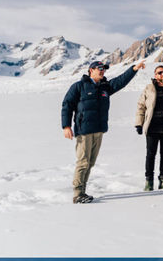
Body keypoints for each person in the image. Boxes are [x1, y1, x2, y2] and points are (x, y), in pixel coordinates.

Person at [61, 59, 145, 203]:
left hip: (98, 130)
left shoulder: (105, 87)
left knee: (91, 162)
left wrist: (134, 69)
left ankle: (83, 191)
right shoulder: (79, 86)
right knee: (83, 162)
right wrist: (66, 126)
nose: (102, 71)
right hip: (84, 130)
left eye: (104, 69)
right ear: (90, 70)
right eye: (99, 68)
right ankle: (77, 193)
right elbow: (67, 106)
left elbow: (121, 81)